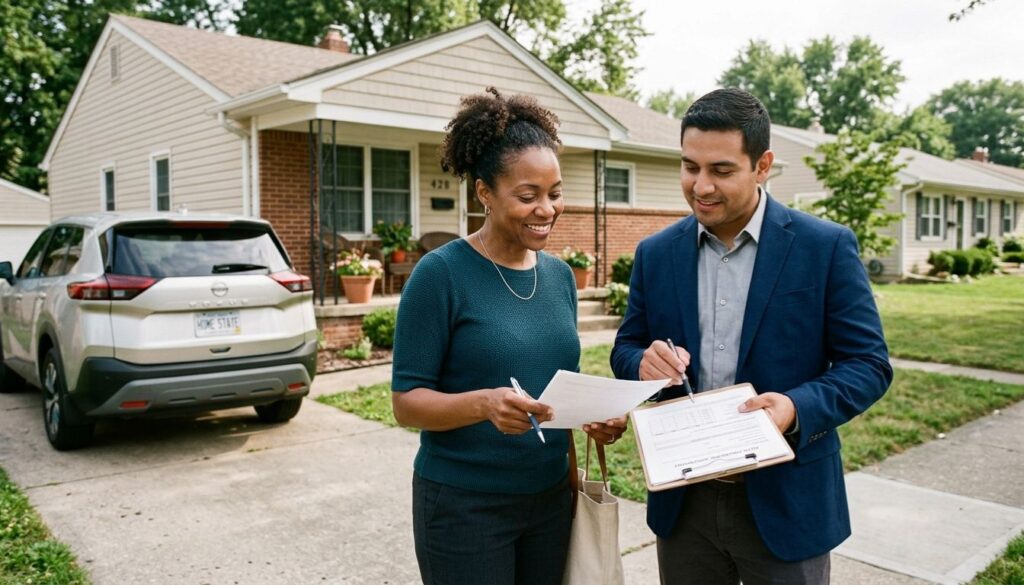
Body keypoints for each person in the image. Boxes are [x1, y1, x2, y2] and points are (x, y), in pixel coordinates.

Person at [611, 88, 893, 585]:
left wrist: (795, 408)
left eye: (721, 170)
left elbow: (868, 364)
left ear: (762, 166)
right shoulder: (656, 253)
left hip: (788, 501)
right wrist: (642, 363)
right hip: (685, 504)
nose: (701, 186)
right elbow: (626, 348)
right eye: (690, 167)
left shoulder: (825, 247)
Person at [391, 87, 625, 585]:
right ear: (484, 193)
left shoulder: (559, 277)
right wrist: (484, 404)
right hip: (464, 507)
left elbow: (560, 389)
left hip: (549, 502)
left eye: (555, 193)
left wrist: (593, 418)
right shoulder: (440, 274)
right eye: (527, 196)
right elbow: (406, 403)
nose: (547, 209)